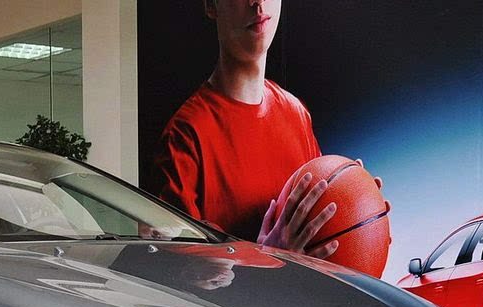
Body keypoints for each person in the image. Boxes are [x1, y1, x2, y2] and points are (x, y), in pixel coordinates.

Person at [156, 0, 382, 258]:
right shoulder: (185, 136)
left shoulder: (296, 113)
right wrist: (265, 257)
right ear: (211, 5)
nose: (258, 2)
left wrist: (360, 214)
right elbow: (171, 270)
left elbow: (321, 241)